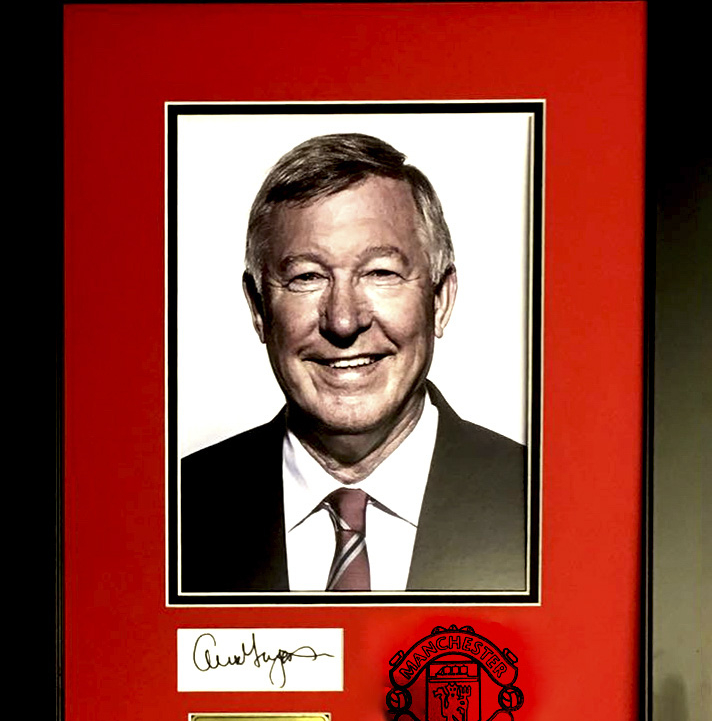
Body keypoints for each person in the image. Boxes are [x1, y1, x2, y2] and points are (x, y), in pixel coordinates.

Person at [180, 133, 526, 593]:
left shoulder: (541, 502)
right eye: (307, 277)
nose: (343, 321)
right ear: (259, 308)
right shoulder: (173, 511)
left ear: (440, 299)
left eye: (381, 272)